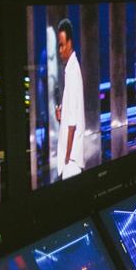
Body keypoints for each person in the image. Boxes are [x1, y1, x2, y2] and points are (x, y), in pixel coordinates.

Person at [55, 18, 85, 179]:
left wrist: (66, 159)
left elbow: (72, 124)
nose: (60, 50)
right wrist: (62, 116)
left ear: (70, 43)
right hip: (71, 160)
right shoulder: (71, 69)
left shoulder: (72, 72)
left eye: (62, 45)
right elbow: (71, 116)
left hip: (71, 162)